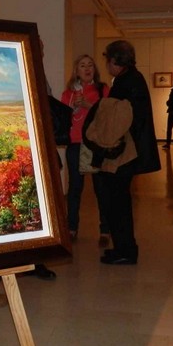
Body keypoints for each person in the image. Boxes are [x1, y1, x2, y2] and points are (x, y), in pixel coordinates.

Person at [95, 40, 160, 265]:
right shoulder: (132, 78)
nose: (106, 64)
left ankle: (125, 251)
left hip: (124, 152)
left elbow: (119, 119)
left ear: (114, 60)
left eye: (107, 59)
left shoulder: (127, 81)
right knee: (118, 200)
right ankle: (123, 248)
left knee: (117, 201)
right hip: (128, 150)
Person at [60, 54, 110, 245]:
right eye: (83, 65)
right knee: (75, 188)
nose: (87, 68)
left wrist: (88, 105)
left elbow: (108, 114)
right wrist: (73, 108)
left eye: (90, 65)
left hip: (96, 143)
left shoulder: (102, 89)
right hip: (75, 143)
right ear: (76, 70)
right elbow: (63, 119)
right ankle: (71, 228)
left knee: (101, 188)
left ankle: (105, 230)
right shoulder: (68, 93)